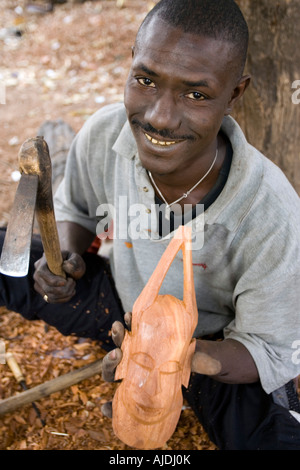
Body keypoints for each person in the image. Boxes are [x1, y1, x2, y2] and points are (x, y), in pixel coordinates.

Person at [1, 0, 300, 450]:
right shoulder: (106, 133)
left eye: (196, 94)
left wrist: (171, 358)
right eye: (145, 80)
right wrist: (64, 256)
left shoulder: (271, 215)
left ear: (235, 94)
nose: (159, 116)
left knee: (271, 437)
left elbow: (267, 349)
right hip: (116, 299)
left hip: (208, 345)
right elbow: (78, 212)